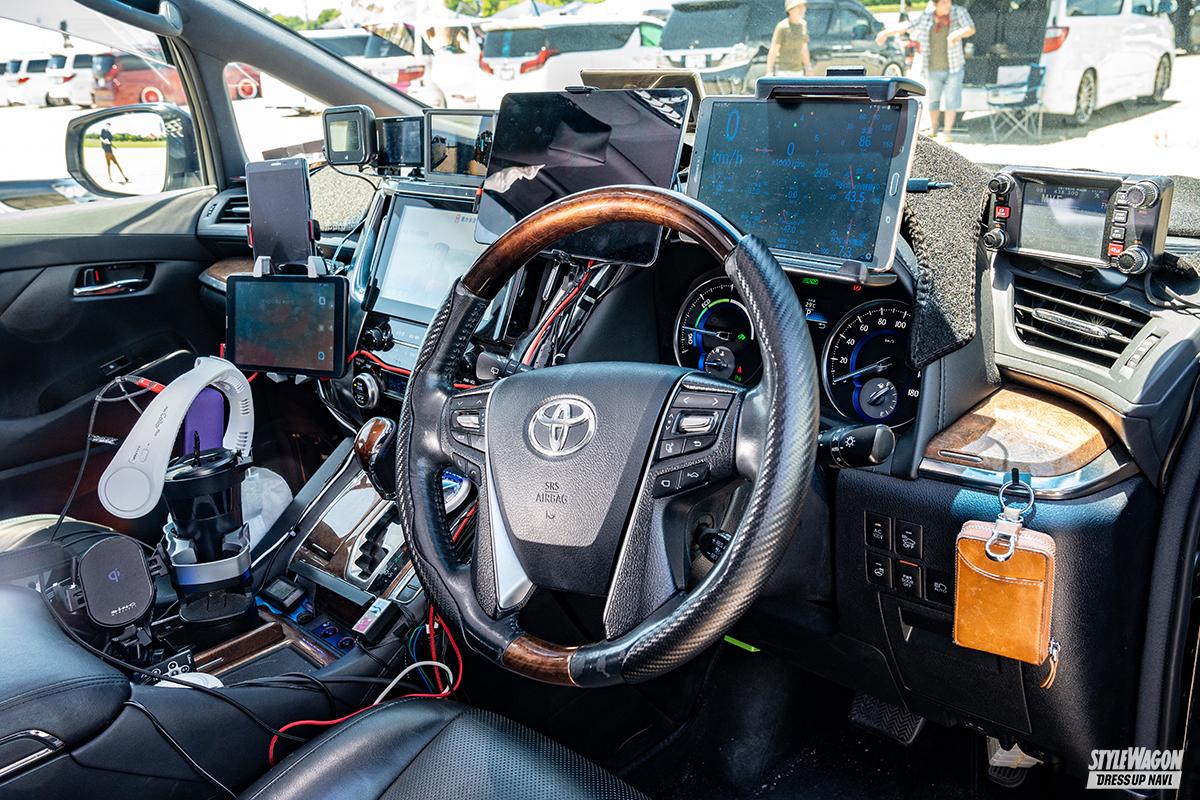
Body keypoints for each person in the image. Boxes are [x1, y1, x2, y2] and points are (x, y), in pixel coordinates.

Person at [876, 0, 975, 142]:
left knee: (951, 101)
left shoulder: (958, 12)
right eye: (944, 2)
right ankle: (934, 130)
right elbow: (908, 26)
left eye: (949, 1)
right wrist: (885, 33)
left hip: (954, 67)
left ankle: (947, 132)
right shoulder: (927, 17)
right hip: (932, 68)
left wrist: (956, 34)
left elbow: (970, 28)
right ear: (935, 4)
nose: (948, 4)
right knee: (933, 100)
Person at [766, 0, 813, 77]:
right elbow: (774, 50)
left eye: (803, 6)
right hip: (783, 72)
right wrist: (769, 71)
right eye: (798, 7)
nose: (802, 9)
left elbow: (804, 48)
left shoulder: (803, 25)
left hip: (798, 71)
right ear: (790, 10)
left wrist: (808, 67)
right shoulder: (782, 27)